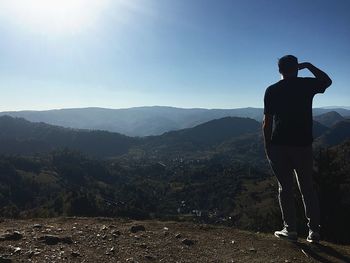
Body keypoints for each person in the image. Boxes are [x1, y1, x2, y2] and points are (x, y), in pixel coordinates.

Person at [263, 55, 332, 243]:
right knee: (307, 188)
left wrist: (267, 145)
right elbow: (327, 81)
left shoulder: (272, 90)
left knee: (285, 188)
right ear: (297, 67)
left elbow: (267, 122)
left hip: (279, 146)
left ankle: (290, 229)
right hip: (302, 146)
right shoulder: (306, 85)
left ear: (279, 70)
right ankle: (314, 232)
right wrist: (309, 65)